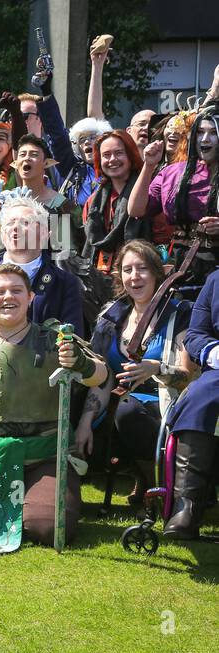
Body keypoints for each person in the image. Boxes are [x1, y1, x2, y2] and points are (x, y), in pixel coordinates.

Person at [0, 264, 109, 552]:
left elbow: (102, 376)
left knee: (49, 527)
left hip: (45, 456)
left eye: (17, 290)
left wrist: (81, 363)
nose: (8, 297)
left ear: (30, 297)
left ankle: (38, 499)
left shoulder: (57, 342)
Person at [77, 240, 193, 507]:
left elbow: (186, 375)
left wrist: (157, 368)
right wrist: (84, 423)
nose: (134, 276)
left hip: (165, 406)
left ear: (157, 274)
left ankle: (160, 485)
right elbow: (102, 378)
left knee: (126, 412)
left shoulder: (179, 315)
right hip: (117, 406)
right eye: (127, 270)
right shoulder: (110, 317)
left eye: (142, 269)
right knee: (82, 419)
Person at [0, 194, 87, 344]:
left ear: (45, 234)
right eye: (9, 223)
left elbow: (72, 338)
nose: (15, 228)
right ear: (1, 234)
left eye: (25, 222)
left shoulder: (64, 283)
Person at [128, 107, 219, 286]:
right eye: (200, 132)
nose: (205, 139)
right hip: (180, 262)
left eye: (213, 133)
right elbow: (135, 210)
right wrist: (148, 166)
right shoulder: (173, 172)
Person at [162, 266, 219, 538]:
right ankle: (188, 506)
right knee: (199, 397)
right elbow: (196, 335)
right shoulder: (215, 279)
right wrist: (214, 352)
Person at [83, 130, 150, 274]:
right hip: (100, 278)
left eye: (119, 153)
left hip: (139, 274)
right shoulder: (93, 201)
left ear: (131, 155)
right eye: (106, 155)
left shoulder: (147, 190)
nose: (112, 159)